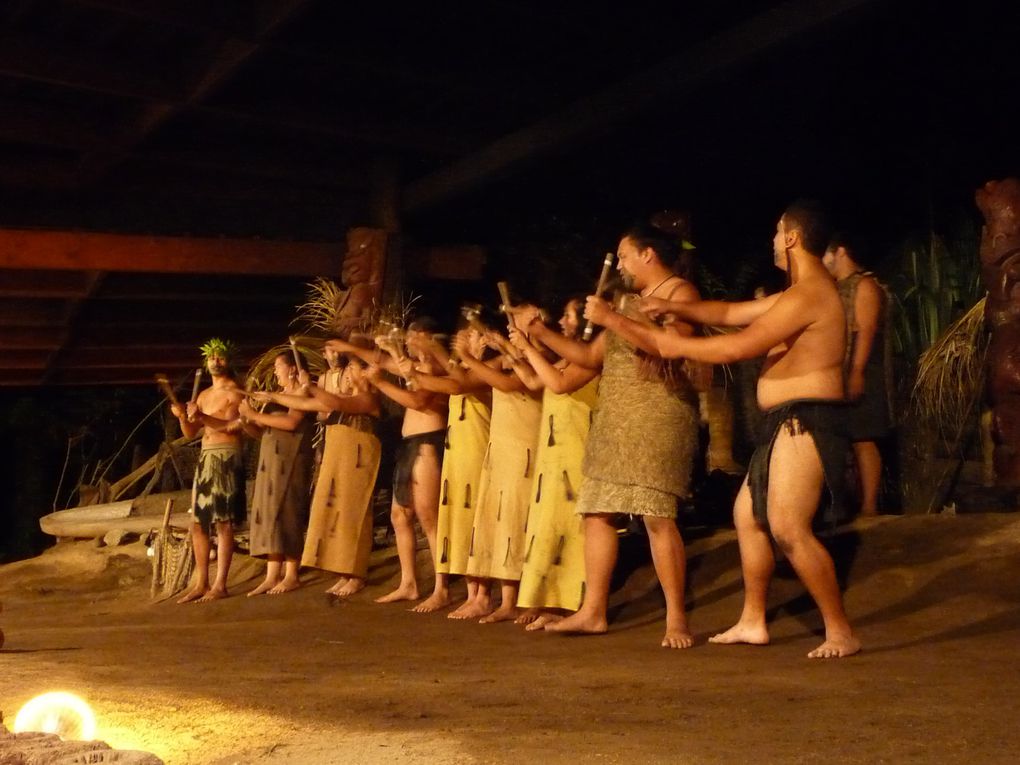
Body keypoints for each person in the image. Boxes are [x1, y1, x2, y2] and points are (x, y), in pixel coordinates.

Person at [590, 200, 860, 658]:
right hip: (784, 421)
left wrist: (636, 329)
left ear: (792, 237)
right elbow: (731, 314)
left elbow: (738, 346)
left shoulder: (810, 293)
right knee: (748, 519)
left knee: (788, 528)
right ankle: (754, 621)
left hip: (806, 418)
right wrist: (662, 306)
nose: (773, 242)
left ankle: (840, 632)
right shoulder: (798, 292)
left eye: (777, 233)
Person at [519, 224, 701, 648]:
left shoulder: (682, 295)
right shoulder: (627, 302)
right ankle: (593, 611)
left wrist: (612, 318)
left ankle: (676, 618)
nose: (618, 264)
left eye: (623, 256)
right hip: (614, 419)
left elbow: (669, 345)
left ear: (648, 255)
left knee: (656, 514)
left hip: (658, 414)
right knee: (597, 512)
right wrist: (539, 334)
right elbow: (586, 358)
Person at [327, 319, 449, 606]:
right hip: (409, 445)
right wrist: (348, 347)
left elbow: (417, 401)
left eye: (412, 337)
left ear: (426, 338)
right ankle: (409, 583)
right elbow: (384, 361)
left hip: (427, 442)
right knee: (400, 515)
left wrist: (379, 382)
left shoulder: (436, 370)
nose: (407, 342)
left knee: (429, 518)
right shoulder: (415, 368)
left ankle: (441, 588)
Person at [258, 337, 381, 599]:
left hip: (357, 438)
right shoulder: (325, 378)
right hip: (334, 440)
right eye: (327, 350)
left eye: (335, 348)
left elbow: (341, 403)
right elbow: (319, 408)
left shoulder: (356, 372)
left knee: (352, 508)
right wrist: (273, 395)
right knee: (333, 508)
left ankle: (356, 573)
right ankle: (342, 571)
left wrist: (310, 388)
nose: (331, 353)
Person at [509, 298, 599, 630]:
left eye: (568, 315)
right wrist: (513, 347)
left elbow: (560, 384)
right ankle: (549, 600)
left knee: (570, 532)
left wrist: (529, 344)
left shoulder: (590, 358)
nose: (562, 321)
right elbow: (535, 382)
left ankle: (570, 605)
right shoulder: (565, 357)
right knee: (547, 526)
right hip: (554, 451)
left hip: (577, 450)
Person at [453, 324, 543, 623]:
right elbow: (463, 380)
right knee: (494, 520)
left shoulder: (539, 359)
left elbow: (507, 385)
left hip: (524, 449)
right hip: (500, 449)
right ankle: (490, 598)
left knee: (516, 521)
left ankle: (516, 600)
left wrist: (467, 355)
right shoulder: (504, 359)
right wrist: (466, 357)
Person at [404, 326, 492, 614]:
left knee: (476, 519)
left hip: (477, 450)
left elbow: (458, 385)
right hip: (457, 452)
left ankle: (483, 595)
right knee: (458, 519)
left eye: (472, 334)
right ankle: (471, 592)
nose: (462, 338)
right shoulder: (460, 369)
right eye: (461, 334)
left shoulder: (486, 369)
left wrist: (435, 353)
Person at [171, 338, 246, 604]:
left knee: (222, 521)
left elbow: (233, 425)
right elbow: (191, 432)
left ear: (228, 362)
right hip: (205, 456)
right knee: (198, 522)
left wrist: (202, 417)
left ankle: (220, 584)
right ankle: (201, 581)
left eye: (220, 357)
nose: (215, 361)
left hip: (226, 456)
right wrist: (183, 416)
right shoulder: (202, 395)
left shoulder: (236, 393)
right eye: (211, 357)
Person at [823, 233, 891, 516]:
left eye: (825, 254)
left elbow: (865, 330)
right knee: (839, 439)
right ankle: (841, 503)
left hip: (861, 369)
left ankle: (869, 506)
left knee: (863, 437)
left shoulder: (864, 285)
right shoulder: (834, 288)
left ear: (840, 252)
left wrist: (857, 371)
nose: (823, 261)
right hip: (837, 371)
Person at [239, 351, 315, 595]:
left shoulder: (303, 394)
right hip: (270, 460)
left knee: (288, 511)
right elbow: (259, 431)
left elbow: (292, 423)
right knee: (269, 512)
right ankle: (272, 574)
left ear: (293, 368)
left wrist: (255, 415)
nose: (275, 371)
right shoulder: (274, 399)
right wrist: (246, 419)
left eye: (278, 366)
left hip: (291, 459)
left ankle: (292, 573)